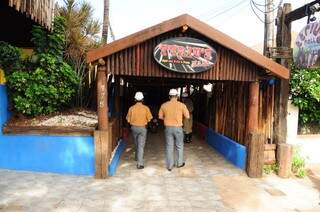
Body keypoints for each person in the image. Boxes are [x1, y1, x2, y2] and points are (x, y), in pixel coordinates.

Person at [159, 89, 190, 171]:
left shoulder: (164, 105)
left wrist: (168, 118)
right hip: (178, 128)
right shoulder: (182, 105)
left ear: (169, 96)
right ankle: (179, 163)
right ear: (177, 96)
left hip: (168, 128)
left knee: (169, 146)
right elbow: (187, 116)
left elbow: (160, 117)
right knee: (179, 146)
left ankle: (170, 166)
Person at [126, 91, 153, 169]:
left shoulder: (131, 108)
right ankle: (139, 164)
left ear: (135, 99)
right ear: (142, 100)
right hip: (142, 128)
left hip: (134, 128)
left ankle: (136, 157)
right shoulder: (146, 108)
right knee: (141, 146)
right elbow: (150, 119)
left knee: (136, 143)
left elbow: (128, 119)